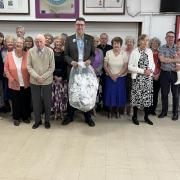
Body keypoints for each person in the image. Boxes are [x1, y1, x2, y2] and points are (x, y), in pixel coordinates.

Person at [61, 17, 95, 127]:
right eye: (78, 24)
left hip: (86, 72)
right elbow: (65, 55)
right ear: (75, 26)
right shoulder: (69, 39)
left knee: (86, 94)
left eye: (82, 25)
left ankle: (88, 117)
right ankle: (69, 116)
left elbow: (93, 54)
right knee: (73, 92)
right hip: (73, 71)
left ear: (84, 26)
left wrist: (90, 60)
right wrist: (71, 62)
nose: (80, 26)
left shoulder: (90, 38)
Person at [27, 34, 55, 129]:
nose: (39, 43)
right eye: (37, 41)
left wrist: (43, 77)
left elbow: (52, 67)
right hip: (34, 81)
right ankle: (37, 121)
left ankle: (47, 121)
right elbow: (29, 66)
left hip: (47, 81)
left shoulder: (50, 51)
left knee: (47, 102)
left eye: (41, 41)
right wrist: (36, 77)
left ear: (44, 42)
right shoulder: (30, 51)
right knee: (36, 102)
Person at [128, 34, 155, 125]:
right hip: (138, 78)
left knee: (147, 99)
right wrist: (143, 71)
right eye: (144, 40)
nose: (146, 42)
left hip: (148, 79)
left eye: (147, 40)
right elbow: (130, 67)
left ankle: (146, 117)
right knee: (137, 98)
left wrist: (151, 70)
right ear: (140, 41)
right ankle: (134, 116)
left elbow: (153, 64)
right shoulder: (134, 52)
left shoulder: (149, 51)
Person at [4, 37, 31, 126]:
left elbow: (30, 67)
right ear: (15, 44)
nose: (19, 44)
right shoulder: (9, 55)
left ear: (23, 45)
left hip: (26, 82)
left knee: (25, 101)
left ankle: (25, 117)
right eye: (17, 43)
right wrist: (11, 79)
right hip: (14, 83)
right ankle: (16, 118)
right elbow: (6, 69)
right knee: (15, 102)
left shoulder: (27, 54)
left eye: (21, 43)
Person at [104, 37, 128, 118]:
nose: (116, 45)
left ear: (120, 45)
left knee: (119, 94)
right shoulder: (108, 53)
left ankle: (117, 111)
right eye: (114, 43)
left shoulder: (124, 53)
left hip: (120, 78)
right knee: (110, 94)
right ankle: (110, 111)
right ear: (112, 44)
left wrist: (117, 75)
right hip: (109, 78)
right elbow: (105, 66)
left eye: (118, 43)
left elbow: (125, 67)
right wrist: (111, 75)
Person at [158, 31, 179, 120]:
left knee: (176, 95)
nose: (171, 38)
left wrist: (168, 59)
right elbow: (162, 60)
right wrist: (175, 59)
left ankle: (175, 113)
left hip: (175, 74)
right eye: (169, 36)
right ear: (166, 38)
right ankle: (164, 111)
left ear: (174, 38)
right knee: (164, 94)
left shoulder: (178, 47)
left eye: (172, 37)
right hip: (164, 74)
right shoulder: (161, 48)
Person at [51, 36, 68, 119]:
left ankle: (61, 111)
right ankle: (54, 112)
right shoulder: (50, 52)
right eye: (56, 42)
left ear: (62, 43)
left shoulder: (65, 53)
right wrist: (54, 76)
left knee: (61, 96)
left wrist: (62, 77)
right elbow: (49, 65)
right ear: (54, 43)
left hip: (62, 78)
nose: (58, 43)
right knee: (54, 96)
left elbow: (66, 66)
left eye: (60, 42)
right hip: (53, 78)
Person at [148, 37, 161, 115]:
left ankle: (153, 110)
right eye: (153, 43)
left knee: (155, 93)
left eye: (156, 43)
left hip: (158, 76)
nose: (155, 44)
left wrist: (158, 75)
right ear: (151, 44)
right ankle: (148, 109)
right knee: (149, 93)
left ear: (158, 45)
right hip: (149, 76)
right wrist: (152, 75)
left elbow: (162, 65)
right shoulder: (148, 53)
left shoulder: (160, 53)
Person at [91, 36, 103, 112]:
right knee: (89, 91)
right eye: (94, 41)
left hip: (97, 74)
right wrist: (92, 70)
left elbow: (101, 63)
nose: (95, 42)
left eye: (97, 41)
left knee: (96, 91)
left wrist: (97, 70)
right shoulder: (87, 50)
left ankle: (94, 107)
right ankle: (89, 107)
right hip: (89, 74)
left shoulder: (100, 51)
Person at [124, 36, 136, 115]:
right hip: (124, 74)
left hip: (133, 74)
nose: (129, 43)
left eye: (131, 42)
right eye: (127, 42)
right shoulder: (123, 51)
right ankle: (125, 108)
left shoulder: (136, 51)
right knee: (125, 91)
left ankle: (131, 109)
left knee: (132, 92)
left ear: (133, 43)